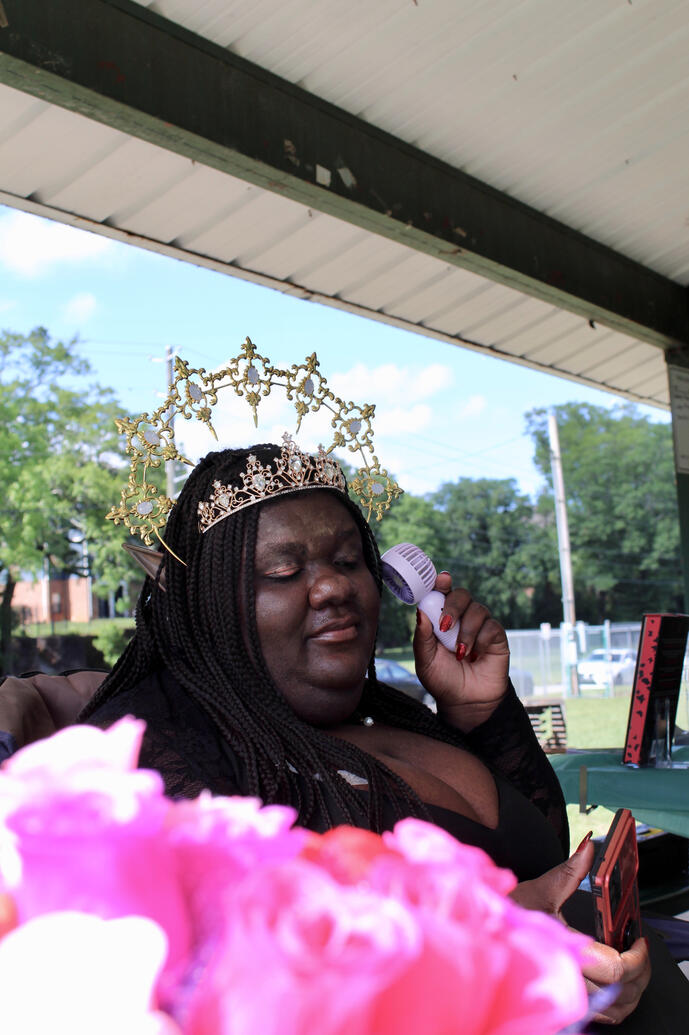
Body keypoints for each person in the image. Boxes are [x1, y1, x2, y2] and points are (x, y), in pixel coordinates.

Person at [0, 440, 650, 1024]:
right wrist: (511, 938)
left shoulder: (395, 712)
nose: (334, 585)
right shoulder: (156, 750)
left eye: (348, 559)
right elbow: (235, 980)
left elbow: (542, 853)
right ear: (207, 602)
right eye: (284, 570)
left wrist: (480, 712)